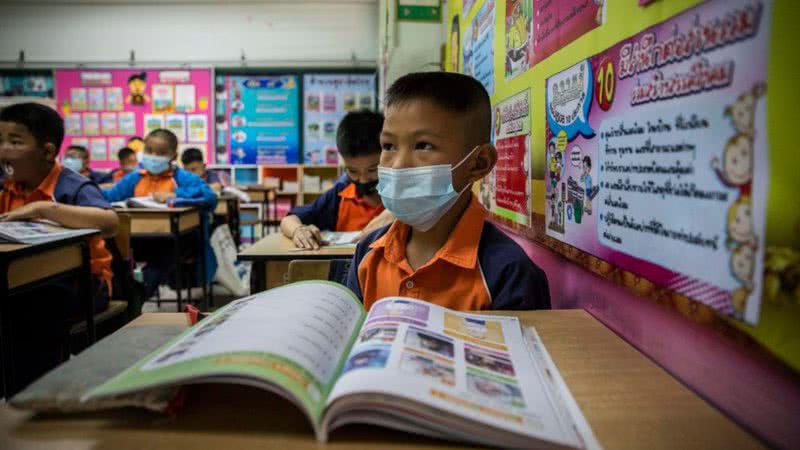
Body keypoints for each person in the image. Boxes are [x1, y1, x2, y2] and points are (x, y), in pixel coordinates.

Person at [346, 72, 550, 311]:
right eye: (388, 146)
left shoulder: (509, 272)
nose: (398, 164)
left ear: (479, 163)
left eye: (424, 146)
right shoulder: (368, 253)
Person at [0, 102, 119, 389]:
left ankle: (35, 391)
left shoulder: (72, 185)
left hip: (83, 284)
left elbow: (110, 221)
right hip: (20, 282)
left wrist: (45, 209)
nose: (4, 150)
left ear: (48, 151)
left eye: (15, 142)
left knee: (33, 312)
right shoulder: (7, 187)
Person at [103, 128, 217, 299]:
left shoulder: (183, 177)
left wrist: (176, 195)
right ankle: (123, 294)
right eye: (149, 151)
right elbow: (111, 197)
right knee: (113, 246)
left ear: (173, 155)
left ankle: (138, 295)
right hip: (139, 237)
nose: (154, 156)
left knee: (162, 253)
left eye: (161, 153)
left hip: (178, 239)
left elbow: (210, 197)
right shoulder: (135, 177)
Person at [280, 111, 389, 250]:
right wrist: (298, 230)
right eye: (353, 171)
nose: (363, 180)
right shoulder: (340, 195)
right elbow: (288, 220)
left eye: (373, 170)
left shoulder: (404, 197)